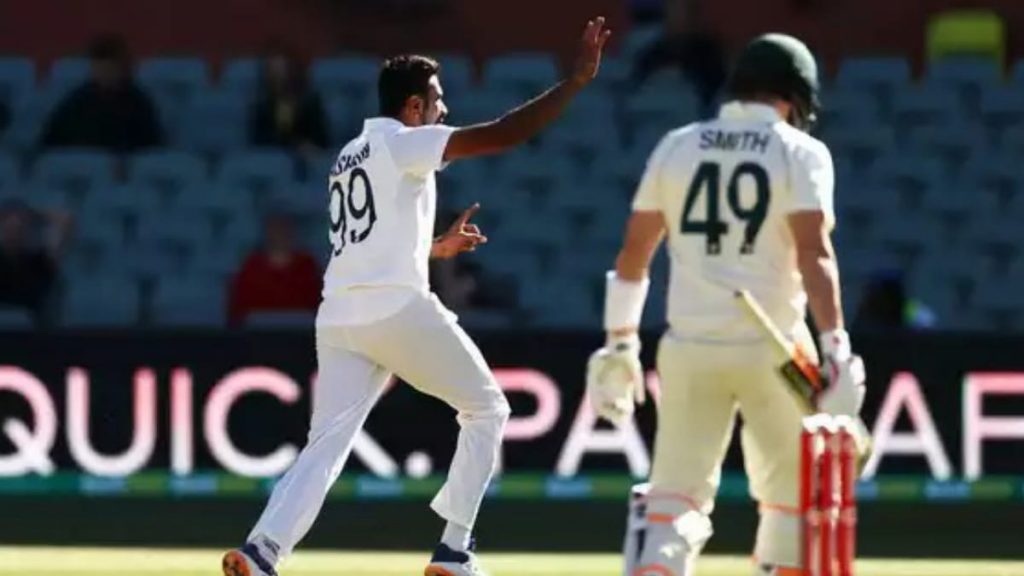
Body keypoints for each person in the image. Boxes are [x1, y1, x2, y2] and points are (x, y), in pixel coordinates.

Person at [221, 17, 610, 576]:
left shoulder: (348, 156)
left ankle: (262, 551)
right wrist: (575, 81)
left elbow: (369, 243)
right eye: (436, 101)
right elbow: (505, 133)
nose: (443, 111)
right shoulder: (404, 144)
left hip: (338, 316)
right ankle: (454, 550)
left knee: (324, 447)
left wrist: (432, 246)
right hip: (396, 309)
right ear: (411, 107)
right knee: (487, 408)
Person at [587, 34, 866, 575]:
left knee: (674, 502)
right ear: (795, 94)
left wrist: (620, 343)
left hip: (690, 345)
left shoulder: (678, 145)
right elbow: (815, 255)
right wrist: (836, 348)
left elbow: (634, 254)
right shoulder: (800, 152)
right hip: (776, 350)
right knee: (790, 501)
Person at [40, 34, 162, 151]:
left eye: (110, 68)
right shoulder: (77, 101)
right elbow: (50, 140)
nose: (104, 73)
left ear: (123, 67)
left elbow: (151, 146)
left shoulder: (138, 103)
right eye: (99, 67)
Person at [227, 211, 322, 326]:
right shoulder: (250, 267)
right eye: (275, 227)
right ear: (266, 231)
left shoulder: (308, 266)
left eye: (284, 227)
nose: (280, 232)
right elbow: (236, 316)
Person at [632, 0, 726, 111]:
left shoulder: (708, 54)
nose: (678, 16)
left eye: (685, 10)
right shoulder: (650, 54)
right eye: (673, 10)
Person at [0, 200, 72, 321]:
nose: (14, 231)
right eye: (9, 226)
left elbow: (66, 221)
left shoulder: (39, 260)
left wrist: (32, 214)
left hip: (34, 326)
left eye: (19, 227)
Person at [248, 45, 329, 152]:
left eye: (282, 70)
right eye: (273, 71)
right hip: (273, 158)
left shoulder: (310, 102)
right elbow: (258, 141)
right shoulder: (262, 105)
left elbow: (321, 140)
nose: (279, 76)